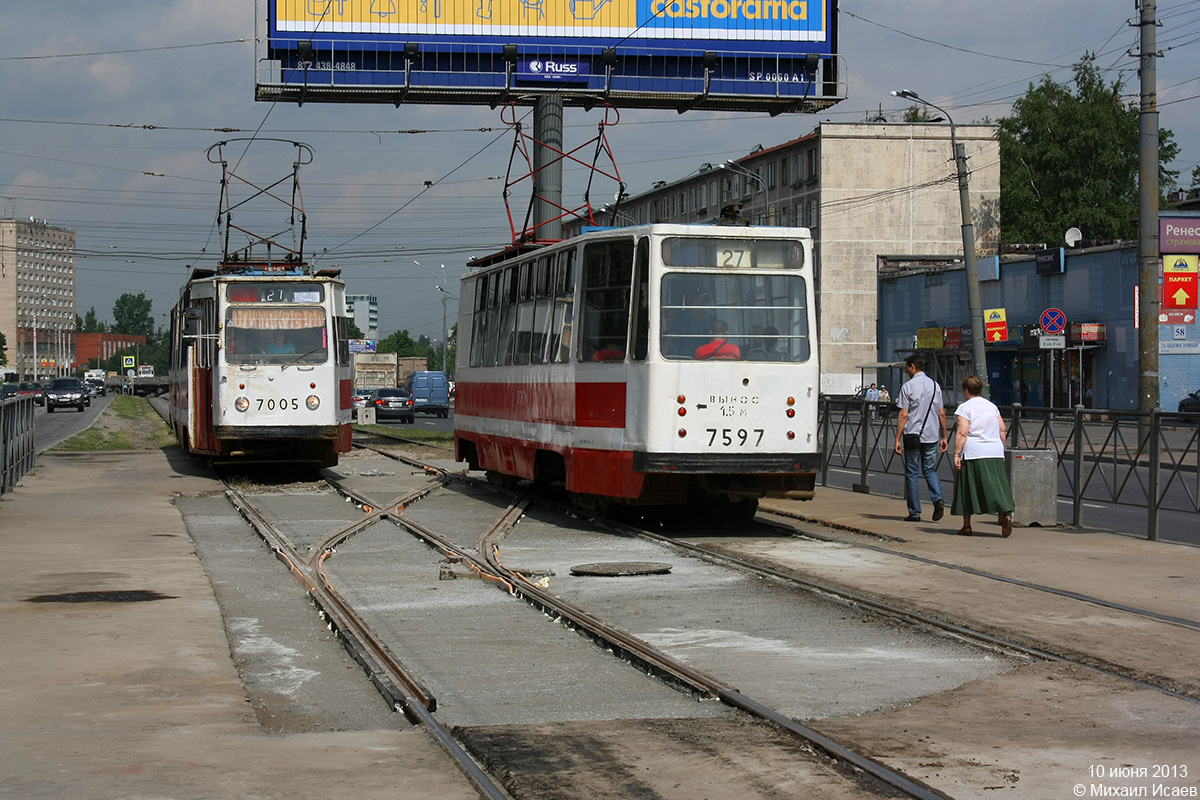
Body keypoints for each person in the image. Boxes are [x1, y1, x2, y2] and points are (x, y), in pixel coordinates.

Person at [951, 374, 1015, 537]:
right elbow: (1002, 429)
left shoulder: (965, 408)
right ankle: (1005, 514)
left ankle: (967, 526)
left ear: (966, 391)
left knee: (968, 487)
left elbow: (962, 432)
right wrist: (1001, 448)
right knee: (998, 485)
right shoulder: (991, 407)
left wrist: (957, 453)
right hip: (994, 451)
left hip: (973, 452)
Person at [893, 355, 947, 522]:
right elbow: (941, 413)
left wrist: (897, 438)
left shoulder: (907, 387)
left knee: (912, 472)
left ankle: (915, 512)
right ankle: (938, 498)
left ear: (912, 367)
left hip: (912, 435)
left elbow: (903, 414)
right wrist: (944, 436)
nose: (907, 371)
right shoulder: (935, 385)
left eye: (907, 368)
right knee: (930, 469)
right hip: (931, 435)